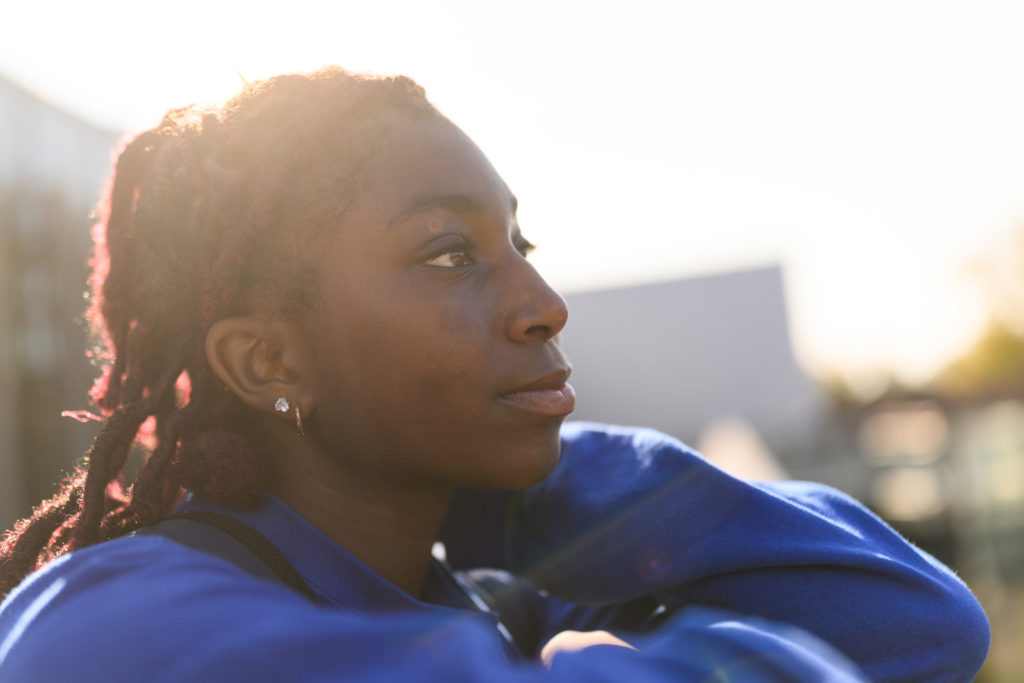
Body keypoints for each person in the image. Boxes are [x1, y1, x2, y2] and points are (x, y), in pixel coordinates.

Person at [0, 67, 989, 681]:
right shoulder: (112, 624)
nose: (543, 300)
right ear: (268, 360)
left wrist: (513, 503)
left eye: (520, 240)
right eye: (448, 254)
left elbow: (922, 621)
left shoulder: (481, 598)